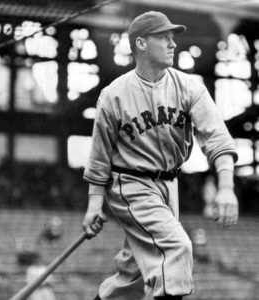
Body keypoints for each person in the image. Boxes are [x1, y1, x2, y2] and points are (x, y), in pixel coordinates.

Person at [82, 11, 239, 300]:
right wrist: (94, 203)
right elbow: (99, 158)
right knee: (175, 248)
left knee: (134, 274)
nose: (173, 43)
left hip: (169, 186)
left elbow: (217, 138)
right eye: (163, 37)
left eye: (172, 37)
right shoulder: (113, 95)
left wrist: (226, 186)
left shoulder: (189, 87)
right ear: (141, 43)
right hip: (130, 183)